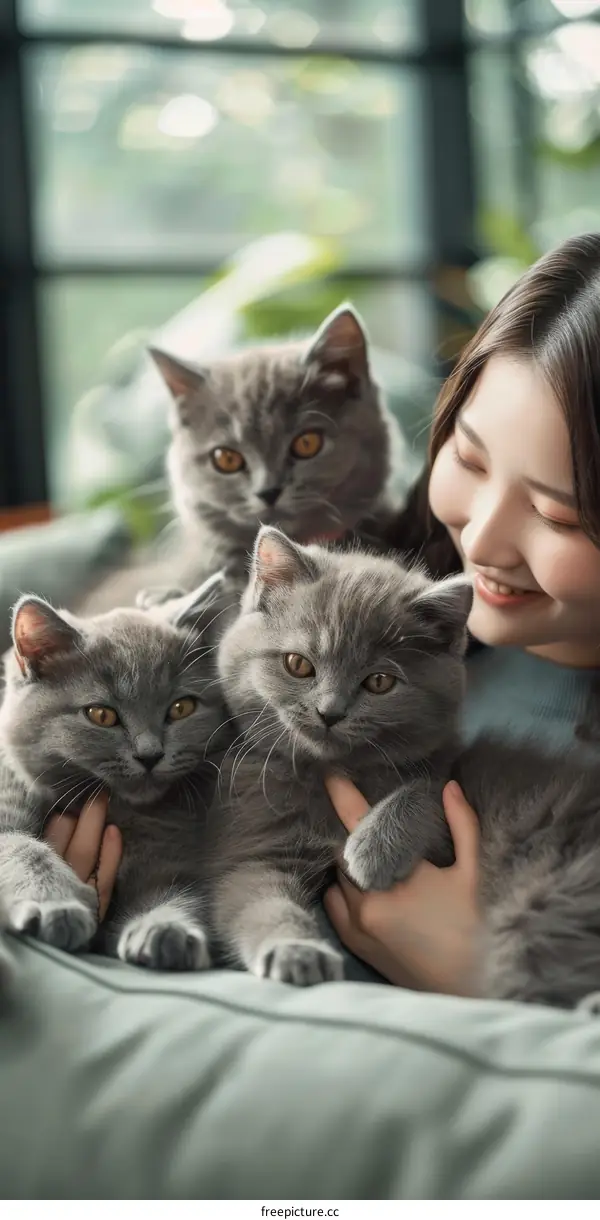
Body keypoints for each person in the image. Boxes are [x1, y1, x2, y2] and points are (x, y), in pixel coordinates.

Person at [47, 232, 600, 999]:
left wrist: (467, 971)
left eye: (556, 513)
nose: (484, 536)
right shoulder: (349, 601)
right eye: (468, 460)